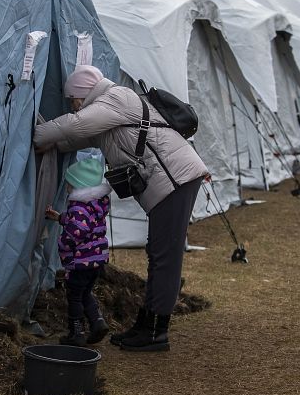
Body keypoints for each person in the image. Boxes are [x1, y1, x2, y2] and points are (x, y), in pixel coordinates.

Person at [34, 65, 208, 352]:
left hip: (175, 180)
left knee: (164, 257)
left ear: (83, 93)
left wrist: (39, 136)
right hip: (173, 181)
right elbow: (78, 137)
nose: (73, 105)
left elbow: (76, 125)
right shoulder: (110, 109)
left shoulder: (115, 100)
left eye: (73, 99)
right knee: (159, 253)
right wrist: (54, 144)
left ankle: (155, 332)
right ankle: (148, 323)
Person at [45, 157, 111, 346]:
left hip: (81, 261)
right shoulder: (95, 205)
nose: (67, 188)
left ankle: (76, 333)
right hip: (96, 261)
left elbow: (77, 231)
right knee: (85, 293)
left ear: (79, 186)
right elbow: (83, 223)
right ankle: (97, 322)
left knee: (74, 296)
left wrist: (64, 246)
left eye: (69, 184)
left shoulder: (78, 207)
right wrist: (60, 218)